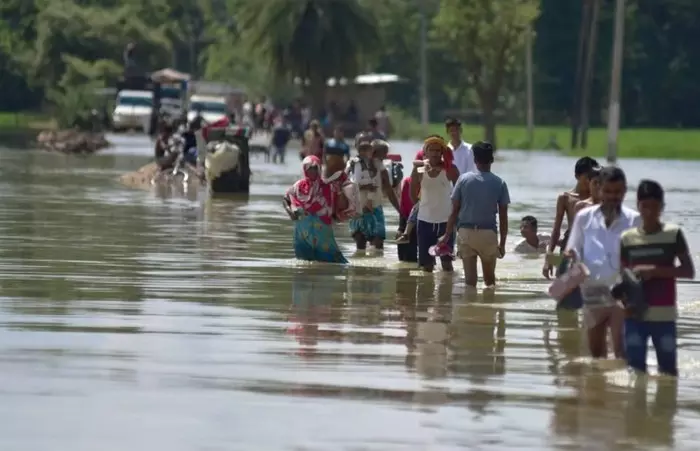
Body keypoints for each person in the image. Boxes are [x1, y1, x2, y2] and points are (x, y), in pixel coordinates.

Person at [620, 180, 694, 376]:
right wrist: (623, 302)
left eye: (655, 207)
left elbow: (688, 271)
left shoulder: (673, 234)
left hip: (664, 315)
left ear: (662, 207)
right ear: (638, 206)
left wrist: (654, 271)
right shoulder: (627, 238)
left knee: (668, 372)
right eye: (645, 206)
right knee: (635, 373)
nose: (650, 212)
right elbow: (622, 276)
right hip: (634, 315)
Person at [565, 166, 640, 360]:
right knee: (596, 352)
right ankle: (599, 387)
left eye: (617, 192)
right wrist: (570, 255)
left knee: (620, 348)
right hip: (593, 290)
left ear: (624, 190)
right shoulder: (584, 217)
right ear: (599, 189)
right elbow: (574, 247)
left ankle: (624, 383)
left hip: (623, 291)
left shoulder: (634, 220)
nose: (613, 196)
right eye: (608, 191)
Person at [443, 141, 510, 287]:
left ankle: (470, 307)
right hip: (488, 234)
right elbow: (503, 217)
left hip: (466, 233)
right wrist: (502, 244)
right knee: (490, 282)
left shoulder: (463, 179)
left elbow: (454, 211)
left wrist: (447, 235)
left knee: (470, 283)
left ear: (474, 160)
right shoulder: (500, 183)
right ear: (492, 160)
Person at [283, 156, 348, 264]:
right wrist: (289, 211)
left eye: (315, 168)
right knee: (304, 264)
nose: (312, 171)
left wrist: (340, 190)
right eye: (309, 168)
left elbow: (341, 205)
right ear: (304, 169)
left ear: (319, 169)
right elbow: (286, 199)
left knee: (330, 262)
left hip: (322, 231)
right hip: (303, 232)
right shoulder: (298, 186)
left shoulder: (328, 187)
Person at [542, 157, 600, 278]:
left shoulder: (598, 199)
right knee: (564, 282)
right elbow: (556, 230)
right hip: (569, 244)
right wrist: (549, 259)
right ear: (577, 176)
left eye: (593, 179)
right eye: (587, 178)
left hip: (591, 245)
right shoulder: (565, 198)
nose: (590, 182)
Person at [411, 136, 459, 272]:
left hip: (446, 222)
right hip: (425, 221)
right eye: (431, 150)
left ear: (442, 152)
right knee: (426, 266)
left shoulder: (450, 169)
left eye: (438, 150)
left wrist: (456, 214)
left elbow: (461, 192)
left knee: (447, 265)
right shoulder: (419, 169)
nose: (435, 153)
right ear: (425, 152)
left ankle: (447, 291)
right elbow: (412, 190)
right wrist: (419, 206)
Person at [346, 133, 400, 250]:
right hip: (359, 209)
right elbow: (345, 185)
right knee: (360, 245)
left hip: (375, 208)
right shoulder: (352, 164)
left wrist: (401, 211)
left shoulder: (380, 166)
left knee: (378, 243)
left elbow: (390, 191)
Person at [396, 175, 418, 262]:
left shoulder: (431, 183)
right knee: (406, 260)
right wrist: (401, 227)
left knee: (427, 262)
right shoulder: (408, 181)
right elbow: (403, 206)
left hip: (425, 222)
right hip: (408, 221)